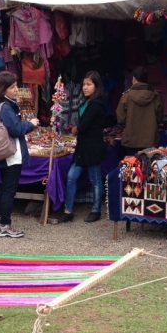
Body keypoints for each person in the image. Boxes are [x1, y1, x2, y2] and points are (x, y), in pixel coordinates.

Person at [0, 72, 40, 238]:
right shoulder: (7, 107)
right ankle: (5, 225)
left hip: (2, 151)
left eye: (16, 85)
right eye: (12, 87)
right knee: (9, 189)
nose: (16, 89)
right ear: (3, 90)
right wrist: (30, 124)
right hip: (11, 152)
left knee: (4, 186)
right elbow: (15, 130)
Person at [60, 71, 108, 223]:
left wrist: (75, 129)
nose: (85, 87)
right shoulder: (87, 102)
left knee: (95, 179)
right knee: (71, 177)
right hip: (83, 146)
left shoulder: (98, 103)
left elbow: (85, 125)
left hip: (92, 146)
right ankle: (68, 211)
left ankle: (96, 210)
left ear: (96, 86)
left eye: (89, 84)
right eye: (84, 84)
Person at [116, 66, 163, 156]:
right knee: (148, 168)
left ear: (134, 79)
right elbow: (160, 119)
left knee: (131, 168)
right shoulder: (157, 96)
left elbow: (120, 119)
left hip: (131, 141)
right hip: (150, 140)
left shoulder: (126, 96)